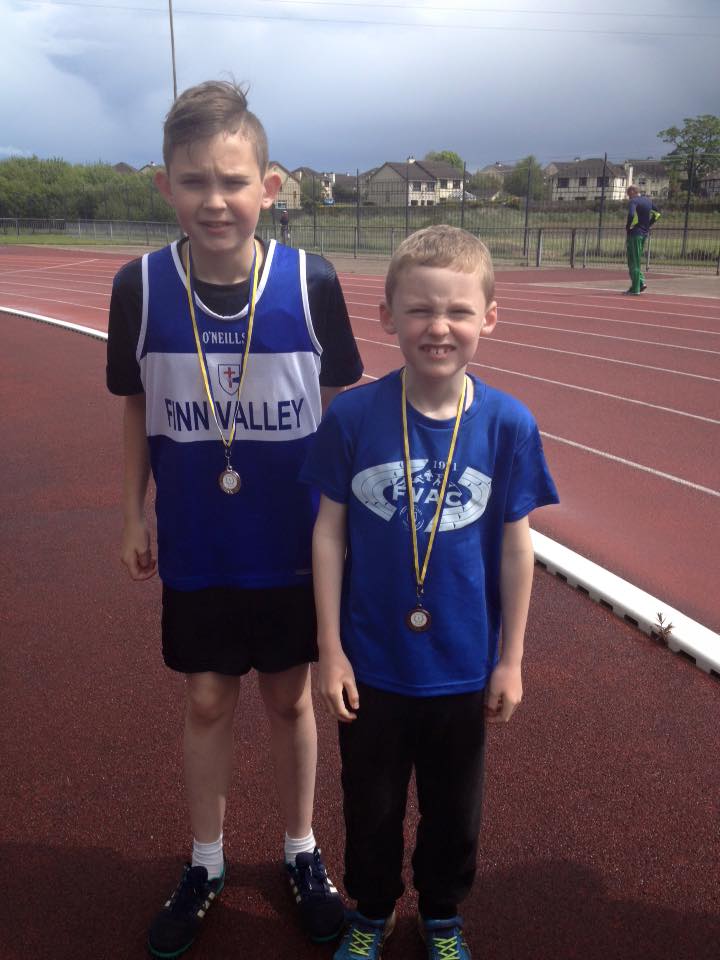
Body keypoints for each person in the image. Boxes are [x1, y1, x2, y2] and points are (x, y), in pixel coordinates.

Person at [106, 79, 363, 958]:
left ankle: (301, 852)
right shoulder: (139, 285)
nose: (214, 201)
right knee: (209, 697)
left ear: (270, 185)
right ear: (163, 187)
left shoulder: (310, 280)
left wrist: (347, 528)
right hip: (199, 540)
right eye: (192, 182)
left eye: (231, 180)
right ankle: (207, 861)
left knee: (292, 698)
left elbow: (342, 420)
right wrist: (131, 511)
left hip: (292, 546)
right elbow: (135, 405)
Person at [301, 224, 559, 960]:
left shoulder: (508, 425)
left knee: (455, 810)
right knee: (371, 805)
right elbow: (327, 534)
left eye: (457, 311)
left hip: (463, 665)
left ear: (489, 318)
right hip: (374, 664)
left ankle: (442, 914)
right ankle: (372, 910)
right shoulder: (353, 416)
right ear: (386, 316)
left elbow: (516, 546)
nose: (437, 327)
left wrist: (510, 659)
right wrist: (331, 649)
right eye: (418, 310)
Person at [624, 184, 661, 295]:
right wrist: (648, 225)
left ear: (632, 192)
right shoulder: (648, 201)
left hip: (635, 233)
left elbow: (631, 214)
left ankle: (636, 289)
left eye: (628, 194)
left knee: (633, 261)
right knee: (635, 259)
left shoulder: (634, 201)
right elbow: (658, 214)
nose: (628, 197)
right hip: (644, 233)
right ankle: (640, 283)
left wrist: (628, 226)